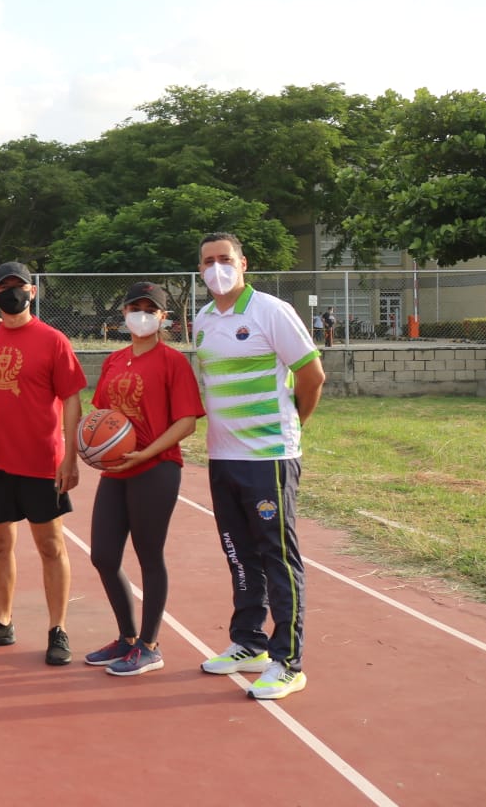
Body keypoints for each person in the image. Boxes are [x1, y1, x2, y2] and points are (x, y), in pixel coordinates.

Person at [195, 232, 325, 700]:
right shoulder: (204, 319)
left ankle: (288, 660)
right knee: (238, 552)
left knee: (277, 557)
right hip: (221, 455)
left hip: (268, 458)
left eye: (224, 259)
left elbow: (312, 374)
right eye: (208, 261)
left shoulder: (270, 310)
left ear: (244, 263)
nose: (216, 268)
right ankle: (249, 643)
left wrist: (292, 427)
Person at [0, 262, 86, 666]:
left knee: (50, 546)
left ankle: (57, 628)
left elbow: (73, 398)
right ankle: (1, 622)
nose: (11, 292)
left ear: (32, 291)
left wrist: (69, 457)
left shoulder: (53, 340)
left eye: (18, 286)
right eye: (3, 287)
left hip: (41, 461)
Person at [80, 282, 205, 676]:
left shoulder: (173, 362)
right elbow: (102, 415)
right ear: (123, 314)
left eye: (150, 309)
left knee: (149, 555)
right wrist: (94, 447)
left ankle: (150, 645)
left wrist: (147, 451)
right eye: (134, 307)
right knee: (102, 554)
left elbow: (187, 422)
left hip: (157, 467)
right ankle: (127, 638)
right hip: (118, 470)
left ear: (163, 317)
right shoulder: (115, 361)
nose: (141, 314)